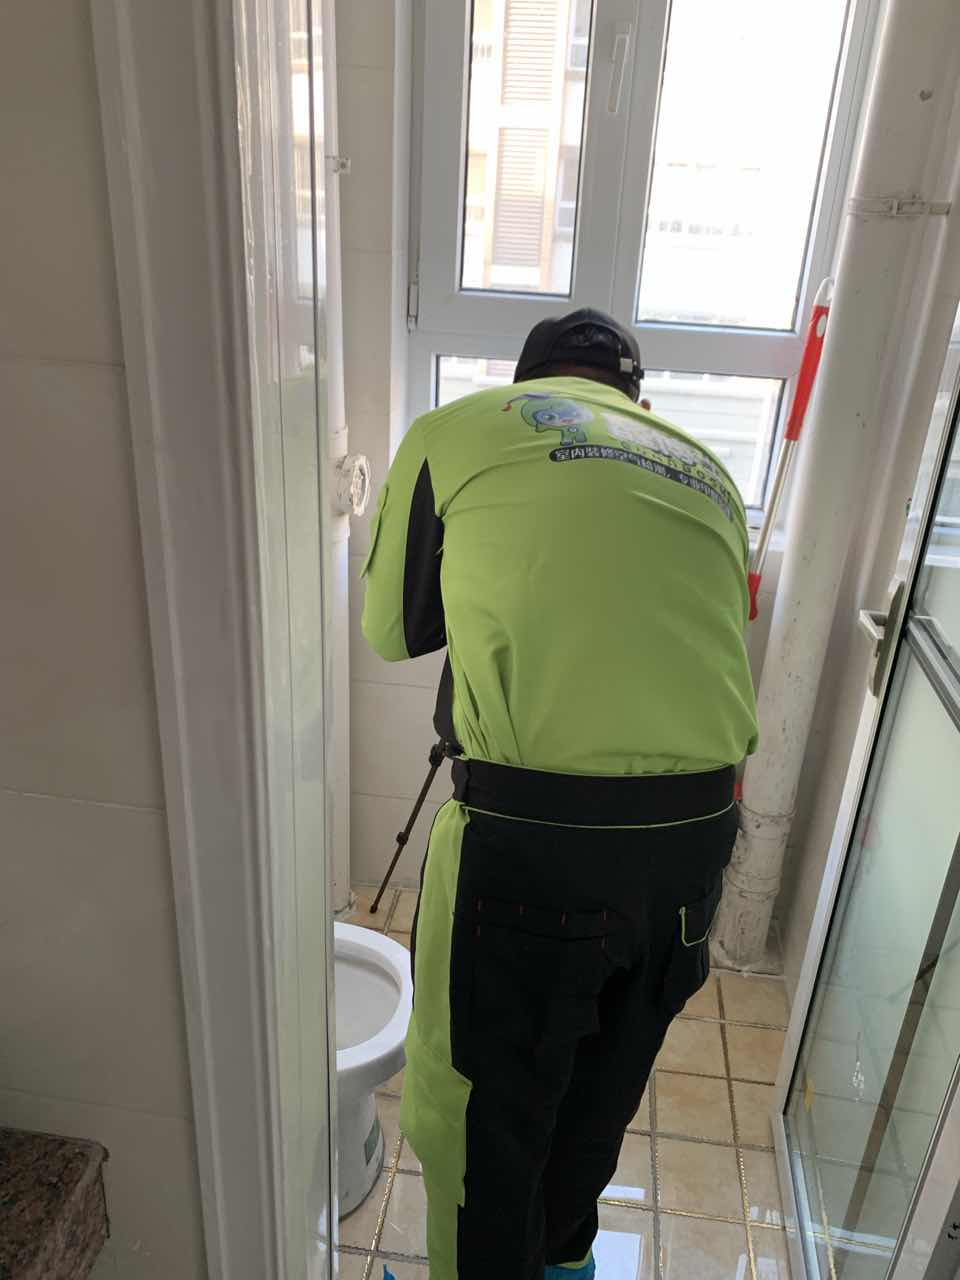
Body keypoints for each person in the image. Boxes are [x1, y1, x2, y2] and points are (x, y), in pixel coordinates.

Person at [361, 308, 758, 1280]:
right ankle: (567, 1260)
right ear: (636, 397)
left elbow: (394, 632)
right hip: (698, 843)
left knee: (481, 1119)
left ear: (526, 381)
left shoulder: (457, 430)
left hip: (537, 840)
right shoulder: (708, 466)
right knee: (599, 1093)